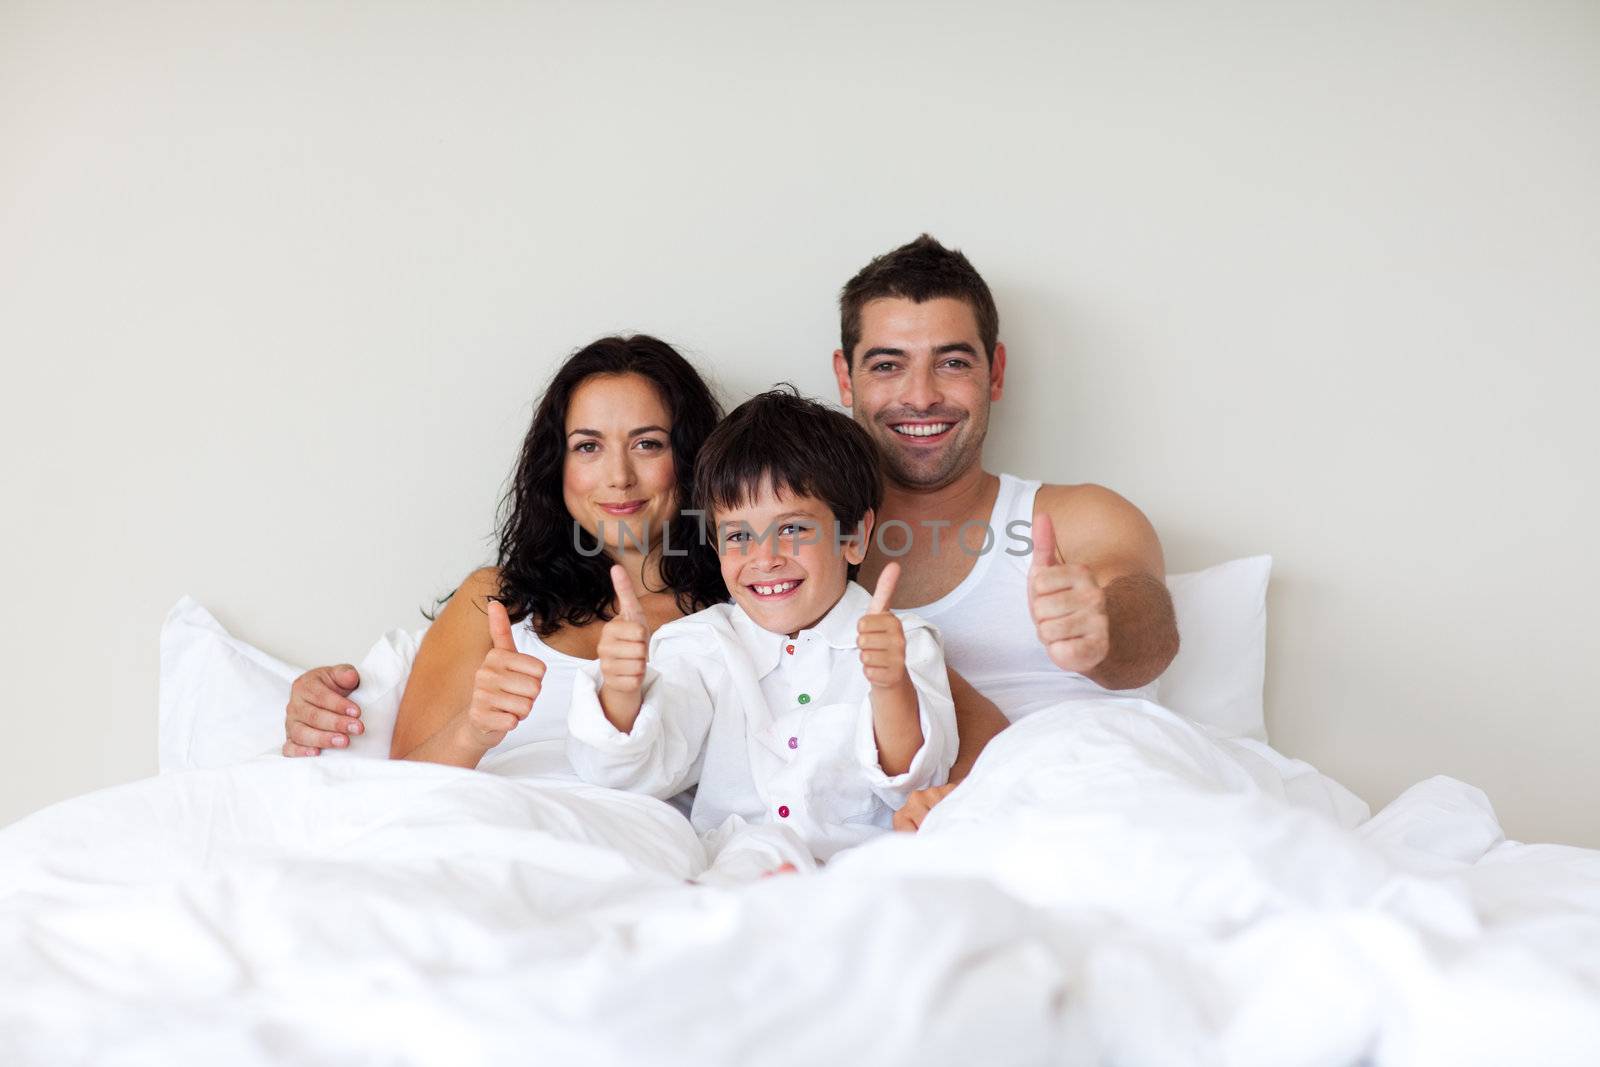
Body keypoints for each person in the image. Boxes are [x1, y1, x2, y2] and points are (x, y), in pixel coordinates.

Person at [831, 235, 1181, 830]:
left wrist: (1103, 629)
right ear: (846, 379)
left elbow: (1149, 637)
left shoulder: (1079, 517)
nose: (921, 397)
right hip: (912, 837)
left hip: (1091, 809)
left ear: (994, 372)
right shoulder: (786, 554)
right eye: (888, 365)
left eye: (952, 362)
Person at [281, 334, 727, 775]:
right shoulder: (494, 600)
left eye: (647, 443)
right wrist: (474, 729)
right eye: (588, 446)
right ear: (557, 468)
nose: (618, 476)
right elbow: (405, 781)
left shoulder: (742, 611)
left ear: (690, 457)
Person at [566, 390, 957, 866]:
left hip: (861, 876)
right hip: (736, 874)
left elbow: (918, 782)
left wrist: (890, 686)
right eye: (738, 536)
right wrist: (622, 692)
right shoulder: (701, 646)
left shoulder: (906, 644)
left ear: (853, 536)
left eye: (792, 529)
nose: (764, 558)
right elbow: (629, 776)